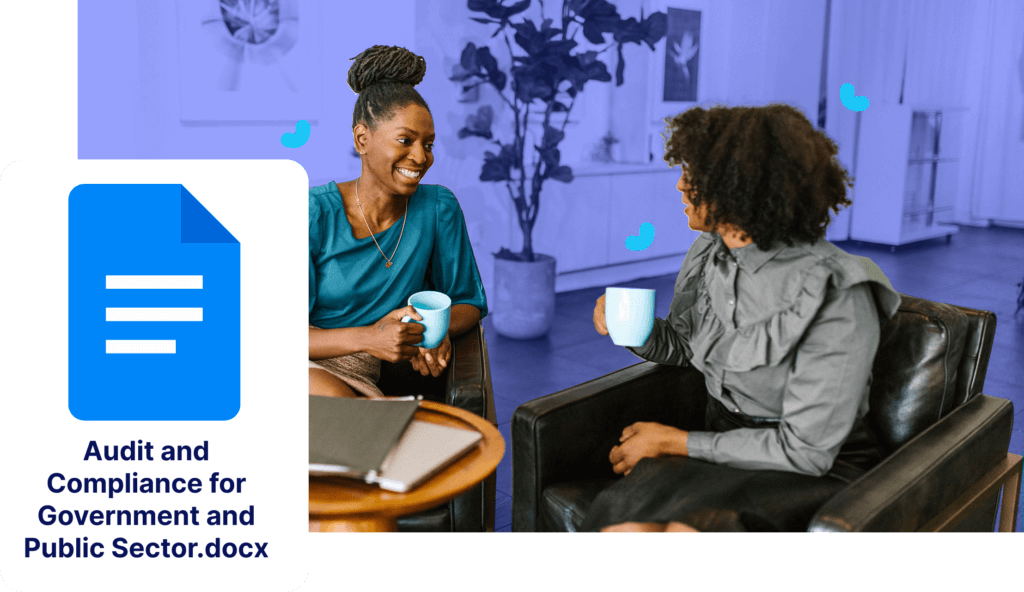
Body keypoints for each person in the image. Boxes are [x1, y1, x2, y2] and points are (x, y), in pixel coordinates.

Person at [587, 104, 902, 533]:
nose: (680, 184)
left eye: (693, 173)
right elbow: (685, 345)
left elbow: (806, 451)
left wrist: (673, 441)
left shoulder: (838, 292)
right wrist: (633, 330)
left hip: (809, 467)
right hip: (721, 443)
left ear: (742, 187)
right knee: (621, 526)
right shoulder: (710, 251)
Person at [309, 45, 487, 399]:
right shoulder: (313, 213)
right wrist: (373, 337)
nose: (421, 157)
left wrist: (427, 332)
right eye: (405, 140)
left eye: (429, 144)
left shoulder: (438, 208)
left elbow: (468, 302)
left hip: (360, 376)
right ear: (363, 139)